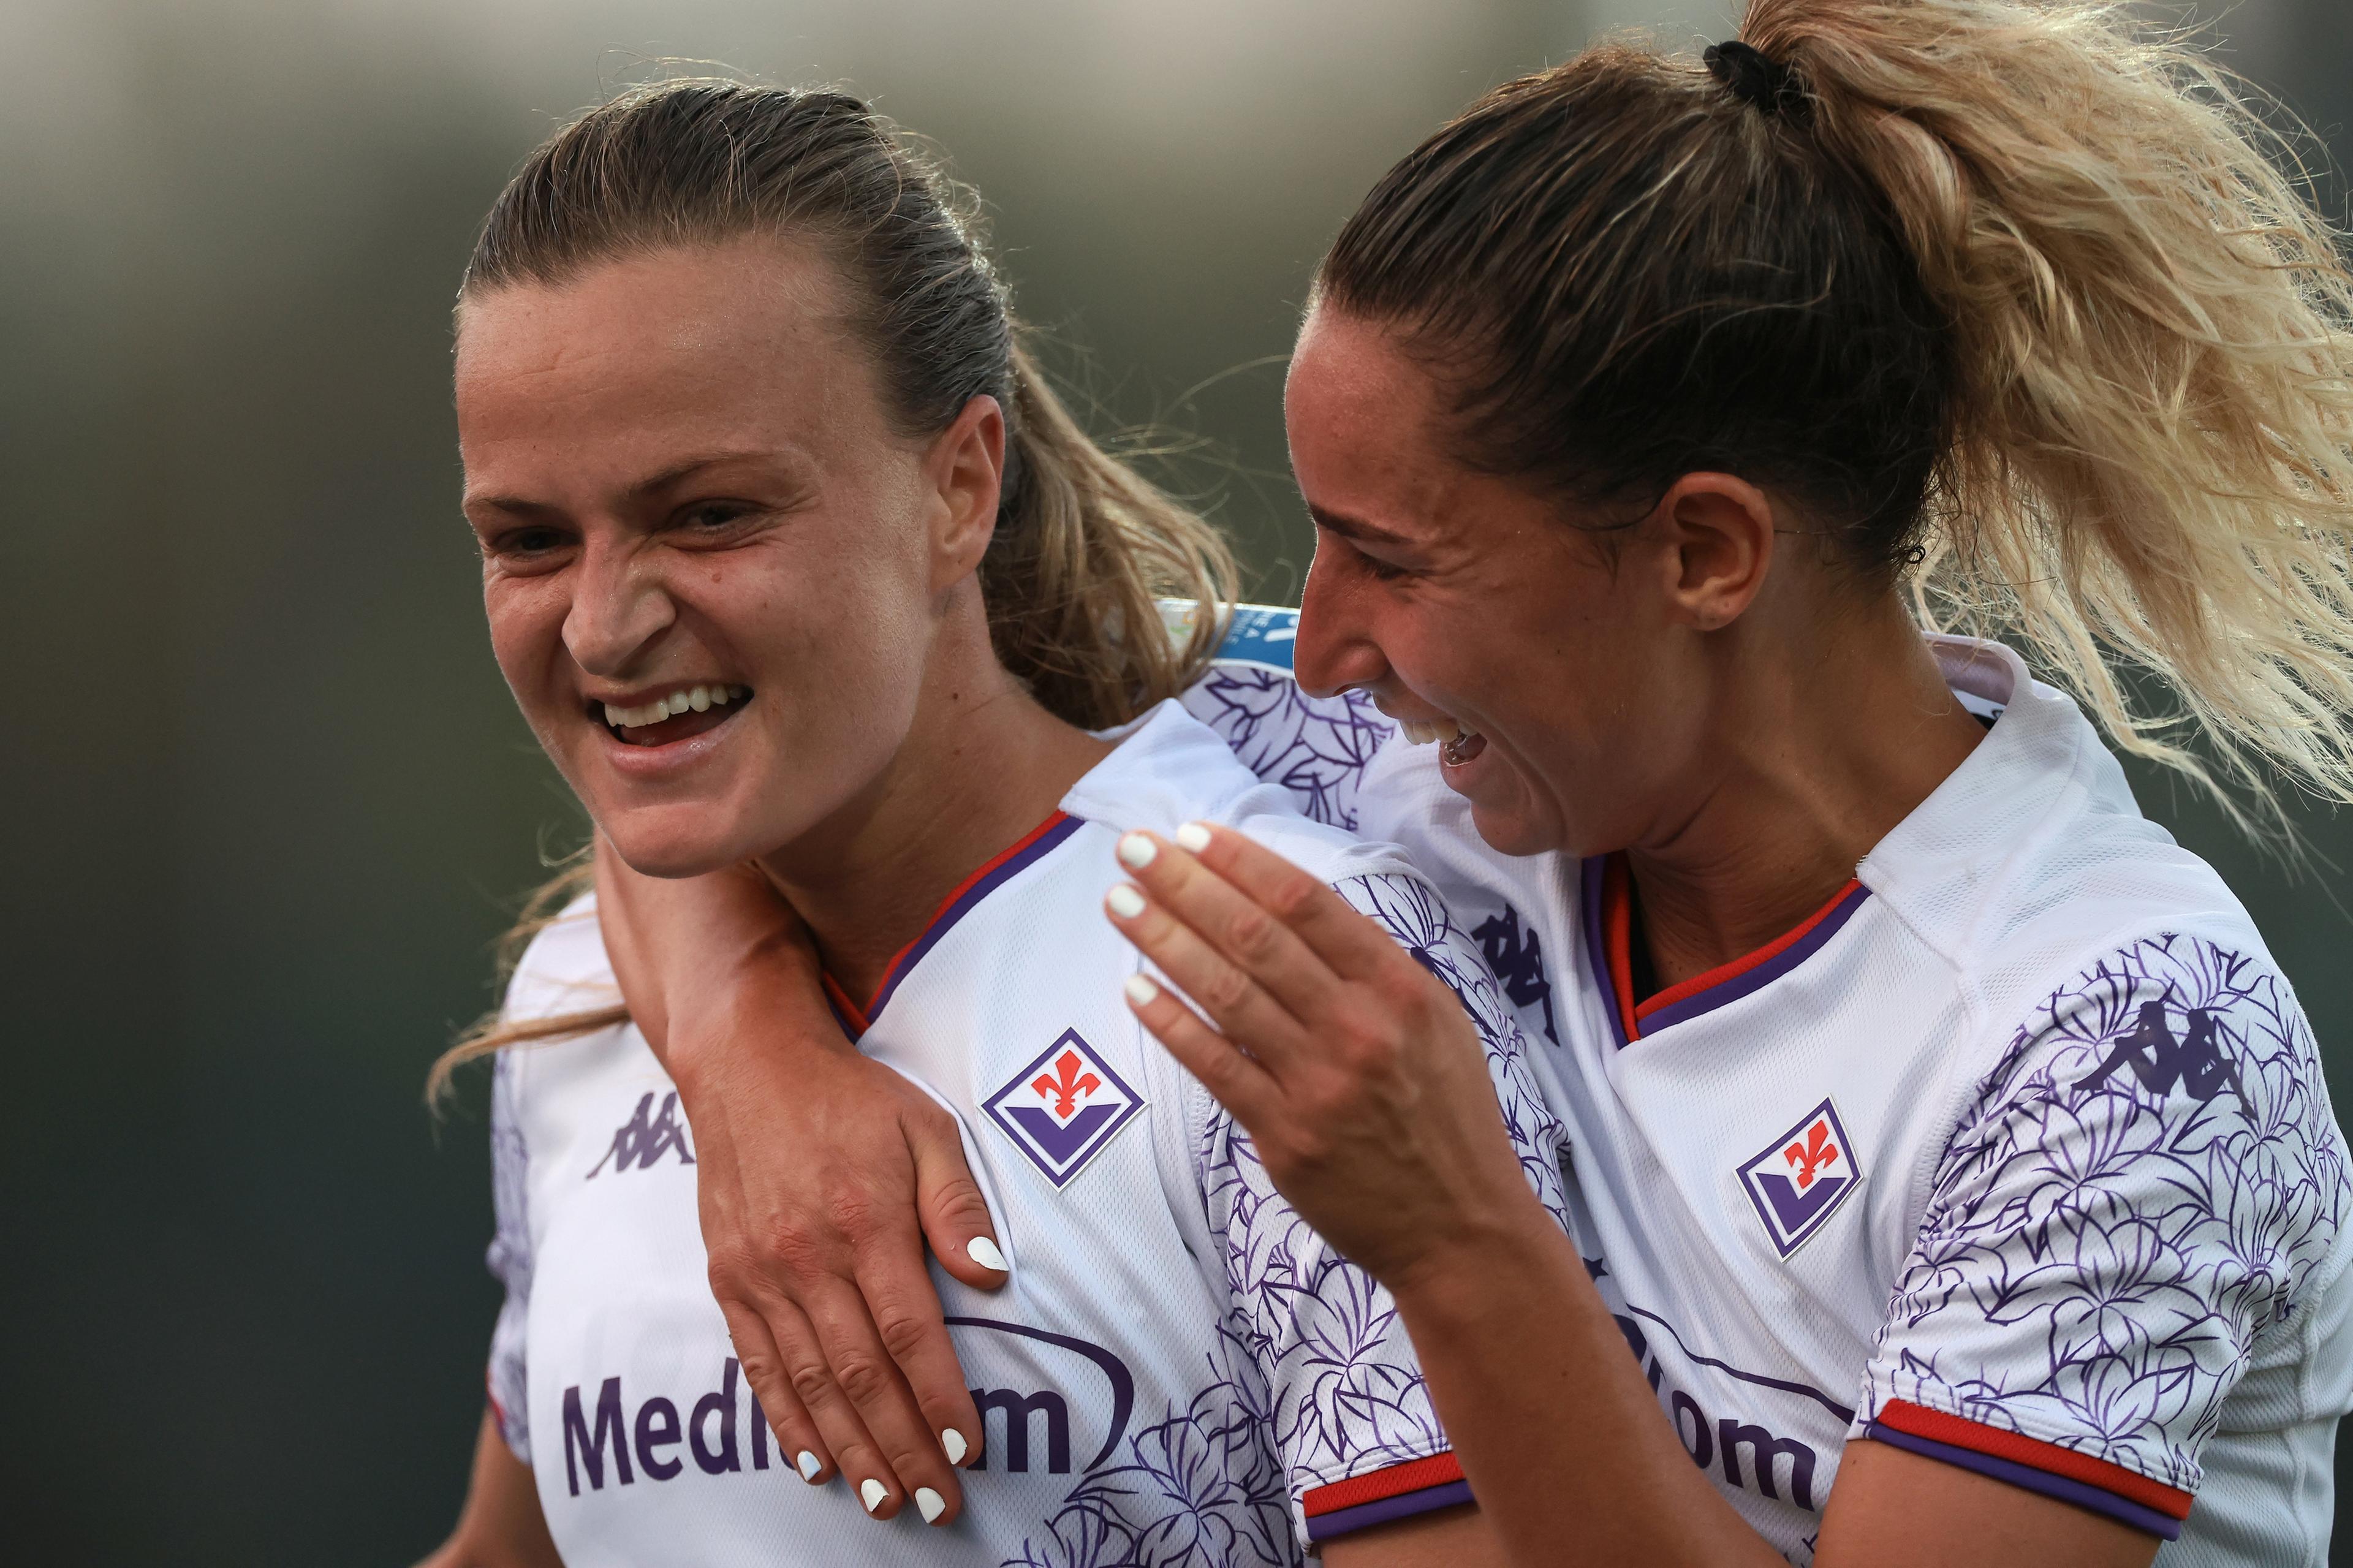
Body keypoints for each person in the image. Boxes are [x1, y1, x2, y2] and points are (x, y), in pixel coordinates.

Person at [586, 4, 2353, 1566]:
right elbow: (732, 728)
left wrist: (1456, 1239)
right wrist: (755, 1067)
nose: (1321, 646)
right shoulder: (1339, 738)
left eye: (1394, 557)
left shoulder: (2121, 1036)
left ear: (1706, 553)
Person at [419, 80, 1567, 1568]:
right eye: (528, 539)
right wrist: (736, 1039)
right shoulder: (581, 995)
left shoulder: (1286, 961)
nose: (602, 625)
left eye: (710, 514)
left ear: (960, 486)